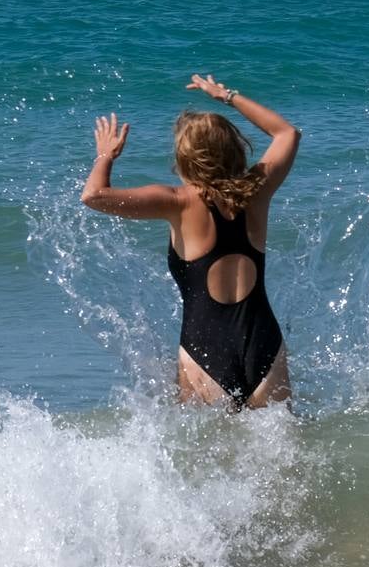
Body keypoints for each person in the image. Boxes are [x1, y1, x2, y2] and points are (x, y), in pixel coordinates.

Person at [80, 74, 301, 410]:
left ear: (184, 158)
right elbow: (287, 133)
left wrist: (105, 156)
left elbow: (93, 195)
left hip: (205, 347)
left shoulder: (177, 201)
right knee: (285, 440)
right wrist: (226, 95)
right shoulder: (257, 190)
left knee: (202, 443)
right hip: (263, 343)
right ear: (235, 148)